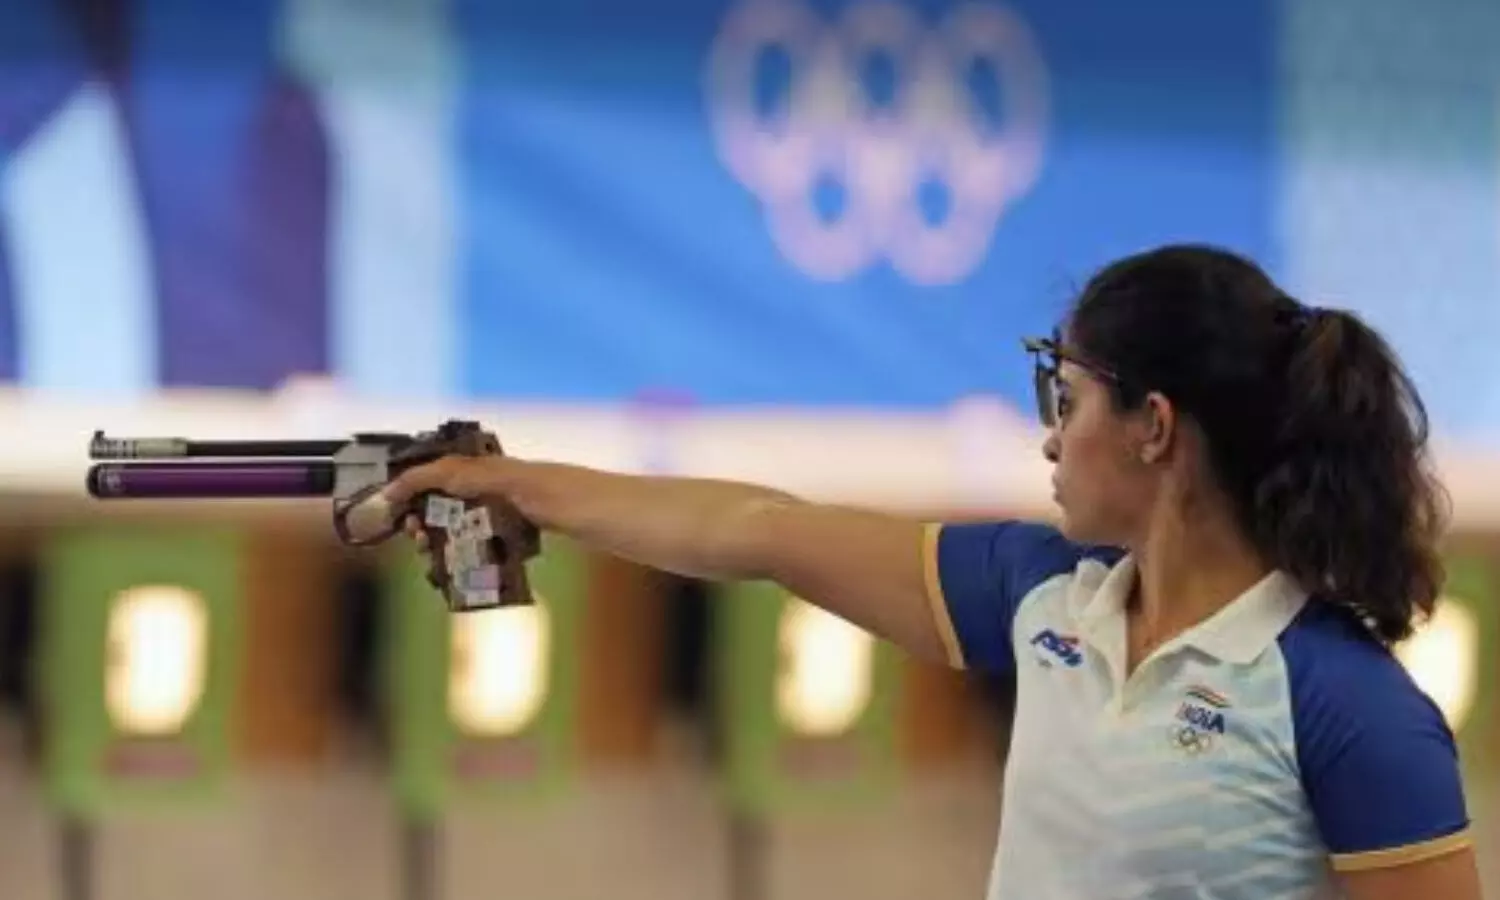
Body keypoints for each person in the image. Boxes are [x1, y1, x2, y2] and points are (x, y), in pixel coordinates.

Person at [384, 244, 1482, 899]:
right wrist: (523, 486)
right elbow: (754, 527)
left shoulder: (1346, 708)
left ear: (1153, 426)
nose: (1051, 438)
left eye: (1071, 398)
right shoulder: (1043, 593)